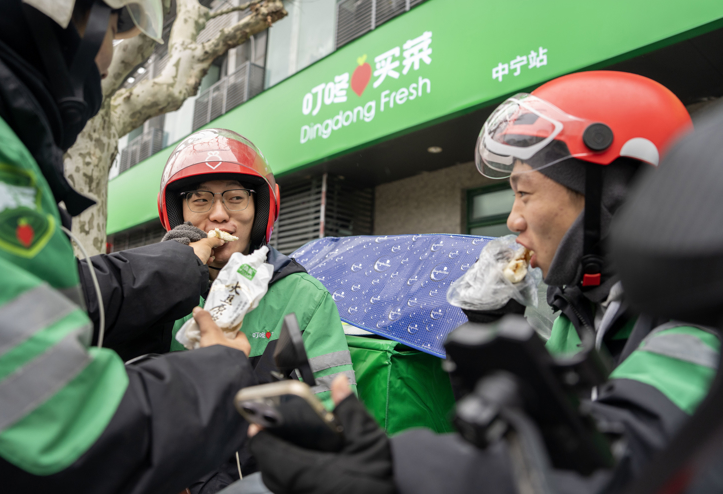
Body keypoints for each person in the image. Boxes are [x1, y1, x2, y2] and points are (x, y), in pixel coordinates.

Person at [242, 71, 720, 494]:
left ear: (612, 196)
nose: (512, 220)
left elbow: (618, 455)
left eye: (525, 193)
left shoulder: (702, 315)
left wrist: (392, 468)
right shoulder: (577, 309)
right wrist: (491, 334)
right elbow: (535, 433)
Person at [0, 0, 259, 492]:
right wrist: (222, 372)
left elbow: (55, 295)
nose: (110, 56)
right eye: (114, 23)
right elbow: (61, 433)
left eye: (236, 199)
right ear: (54, 0)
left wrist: (176, 263)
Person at [157, 128, 357, 493]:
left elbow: (334, 415)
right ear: (178, 212)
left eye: (235, 198)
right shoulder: (154, 294)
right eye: (200, 200)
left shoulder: (303, 295)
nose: (218, 215)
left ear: (260, 209)